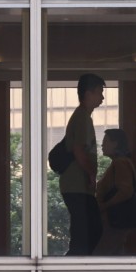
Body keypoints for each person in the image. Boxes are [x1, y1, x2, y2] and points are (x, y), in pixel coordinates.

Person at [60, 73, 105, 255]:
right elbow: (79, 150)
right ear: (88, 94)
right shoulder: (82, 118)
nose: (102, 97)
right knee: (86, 231)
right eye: (99, 92)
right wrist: (91, 174)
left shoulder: (82, 117)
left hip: (77, 186)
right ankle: (74, 266)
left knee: (85, 230)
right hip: (77, 185)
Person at [94, 128, 136, 256]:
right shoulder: (119, 163)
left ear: (116, 144)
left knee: (104, 256)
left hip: (113, 221)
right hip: (114, 220)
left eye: (106, 141)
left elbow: (126, 191)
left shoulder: (121, 163)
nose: (102, 145)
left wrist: (104, 206)